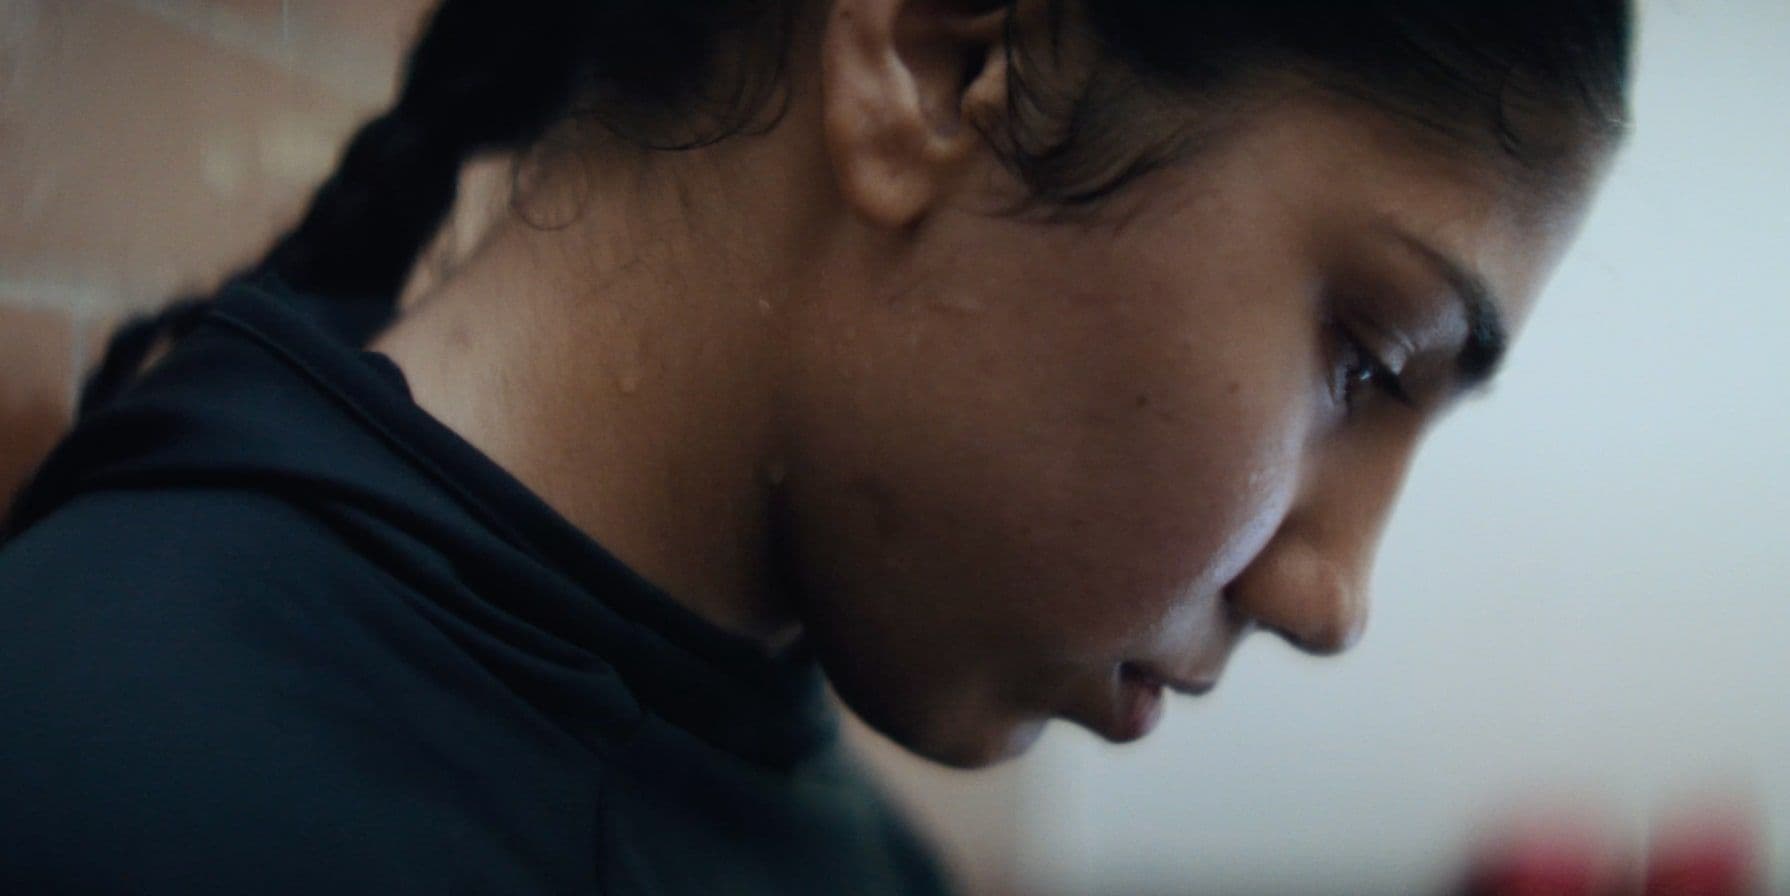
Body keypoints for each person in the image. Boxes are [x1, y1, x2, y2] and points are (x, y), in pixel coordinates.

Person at [0, 0, 1634, 892]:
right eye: (1365, 359)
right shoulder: (95, 780)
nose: (1333, 598)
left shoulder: (858, 850)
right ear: (939, 67)